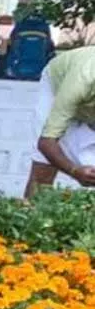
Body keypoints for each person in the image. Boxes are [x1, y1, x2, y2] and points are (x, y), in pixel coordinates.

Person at [25, 46, 95, 198]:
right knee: (43, 170)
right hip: (57, 84)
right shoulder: (80, 81)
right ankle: (30, 216)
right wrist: (74, 171)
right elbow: (46, 142)